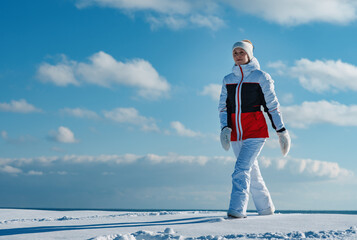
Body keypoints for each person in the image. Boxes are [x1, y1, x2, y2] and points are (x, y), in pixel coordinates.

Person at [218, 40, 291, 218]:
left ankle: (236, 210)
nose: (238, 55)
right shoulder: (228, 80)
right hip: (236, 133)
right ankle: (266, 209)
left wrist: (281, 130)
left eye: (241, 52)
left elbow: (272, 105)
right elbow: (223, 107)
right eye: (235, 53)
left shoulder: (260, 77)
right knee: (252, 172)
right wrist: (225, 129)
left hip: (255, 131)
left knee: (240, 170)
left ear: (249, 54)